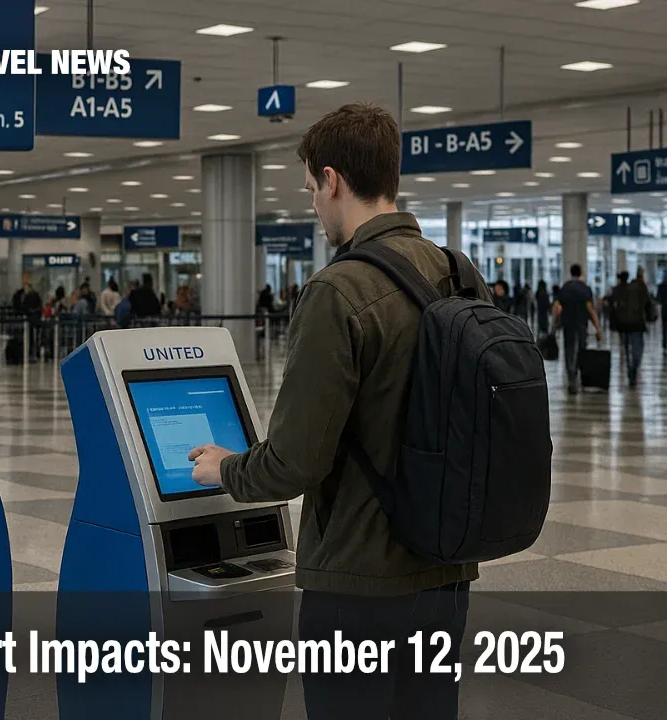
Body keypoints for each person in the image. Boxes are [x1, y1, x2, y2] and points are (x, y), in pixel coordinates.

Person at [186, 103, 491, 720]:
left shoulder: (338, 290)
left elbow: (296, 460)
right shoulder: (458, 274)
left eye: (311, 192)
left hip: (359, 583)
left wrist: (226, 469)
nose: (315, 209)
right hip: (448, 567)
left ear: (333, 179)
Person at [553, 264, 603, 395]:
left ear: (570, 273)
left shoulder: (565, 287)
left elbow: (558, 308)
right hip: (582, 324)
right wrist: (598, 328)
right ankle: (581, 375)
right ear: (581, 273)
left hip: (568, 323)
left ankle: (571, 379)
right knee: (582, 350)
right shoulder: (585, 289)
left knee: (569, 351)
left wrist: (555, 326)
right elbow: (590, 309)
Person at [610, 271, 650, 389]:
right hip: (637, 324)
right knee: (637, 349)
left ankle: (631, 370)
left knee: (627, 349)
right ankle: (633, 369)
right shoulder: (639, 288)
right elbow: (647, 303)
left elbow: (612, 305)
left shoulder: (618, 290)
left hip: (624, 324)